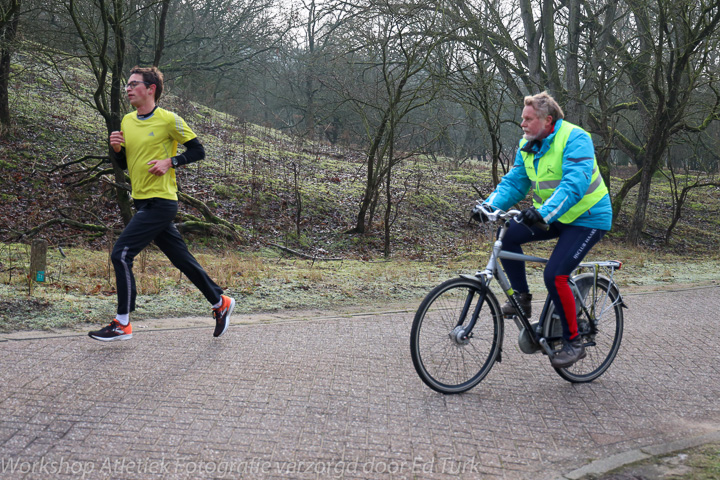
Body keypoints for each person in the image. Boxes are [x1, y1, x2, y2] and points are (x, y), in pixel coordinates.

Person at [89, 66, 235, 342]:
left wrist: (172, 161)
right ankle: (220, 302)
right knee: (181, 259)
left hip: (162, 201)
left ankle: (122, 323)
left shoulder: (169, 120)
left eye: (134, 84)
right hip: (142, 202)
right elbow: (125, 164)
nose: (128, 89)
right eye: (127, 85)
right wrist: (118, 151)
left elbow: (198, 151)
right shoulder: (128, 121)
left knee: (120, 253)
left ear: (151, 88)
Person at [476, 91, 612, 368]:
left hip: (588, 218)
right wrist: (488, 206)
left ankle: (573, 342)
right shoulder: (528, 144)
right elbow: (515, 182)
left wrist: (541, 212)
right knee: (507, 237)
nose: (522, 124)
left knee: (555, 274)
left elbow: (573, 185)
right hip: (554, 214)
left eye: (528, 119)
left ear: (547, 120)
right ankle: (521, 299)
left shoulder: (576, 138)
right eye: (522, 119)